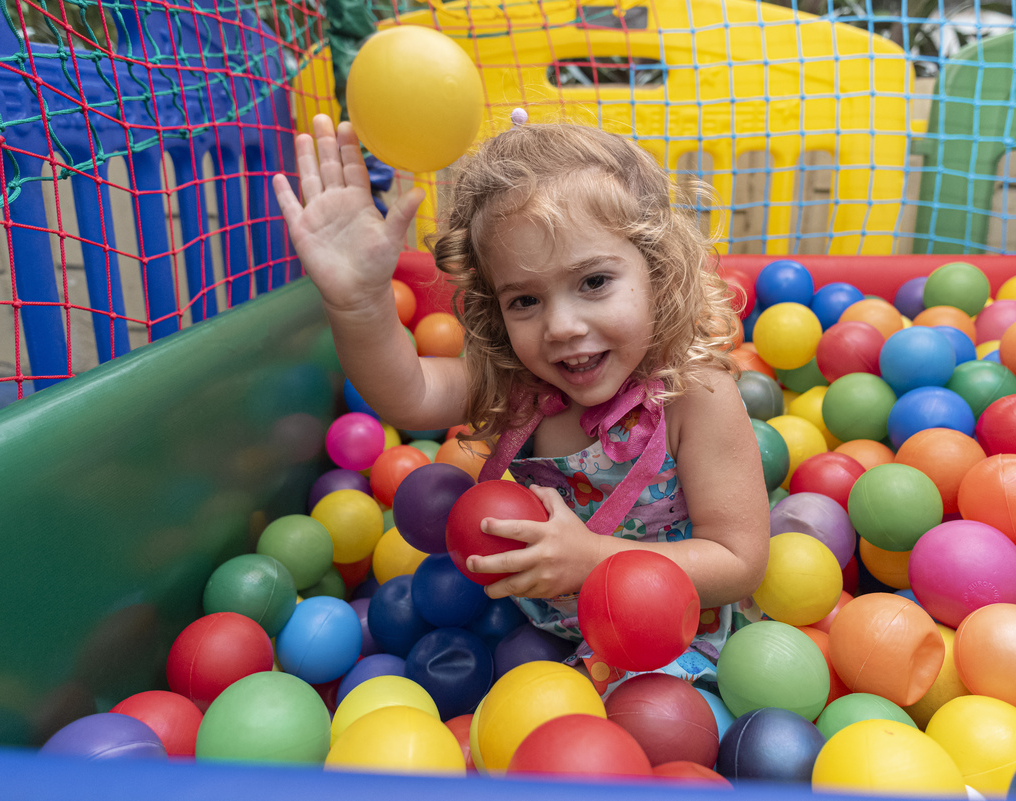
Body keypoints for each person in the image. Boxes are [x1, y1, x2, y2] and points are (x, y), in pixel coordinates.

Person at [274, 113, 770, 692]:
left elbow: (739, 561)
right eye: (526, 300)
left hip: (664, 632)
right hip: (534, 620)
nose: (561, 326)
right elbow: (406, 396)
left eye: (593, 282)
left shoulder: (695, 394)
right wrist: (360, 303)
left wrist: (591, 559)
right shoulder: (523, 385)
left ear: (657, 272)